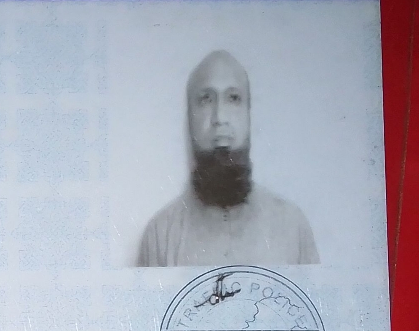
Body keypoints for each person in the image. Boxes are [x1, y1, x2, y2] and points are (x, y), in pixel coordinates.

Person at [137, 50, 319, 267]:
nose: (220, 117)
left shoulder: (293, 227)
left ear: (248, 114)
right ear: (189, 118)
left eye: (233, 98)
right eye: (206, 99)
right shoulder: (160, 235)